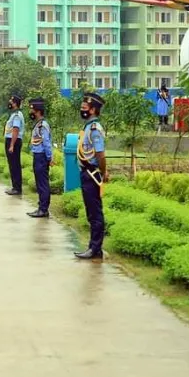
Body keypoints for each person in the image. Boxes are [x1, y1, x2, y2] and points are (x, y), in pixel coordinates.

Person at [75, 92, 108, 259]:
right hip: (86, 172)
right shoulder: (88, 127)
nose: (82, 110)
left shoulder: (94, 129)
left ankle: (95, 249)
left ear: (93, 110)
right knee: (91, 212)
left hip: (92, 174)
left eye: (85, 108)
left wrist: (103, 171)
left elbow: (100, 155)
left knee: (95, 213)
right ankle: (93, 247)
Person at [27, 98, 52, 218]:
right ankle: (41, 207)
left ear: (37, 111)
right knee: (39, 182)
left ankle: (43, 209)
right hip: (38, 155)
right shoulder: (38, 124)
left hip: (42, 156)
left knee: (42, 183)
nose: (30, 113)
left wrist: (49, 157)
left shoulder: (43, 125)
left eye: (31, 110)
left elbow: (46, 143)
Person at [4, 95, 25, 196]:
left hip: (14, 141)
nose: (9, 103)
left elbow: (16, 130)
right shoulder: (14, 114)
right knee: (13, 164)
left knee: (14, 165)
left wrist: (12, 145)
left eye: (11, 101)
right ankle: (15, 187)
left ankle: (17, 188)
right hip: (13, 140)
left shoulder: (16, 115)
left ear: (15, 104)